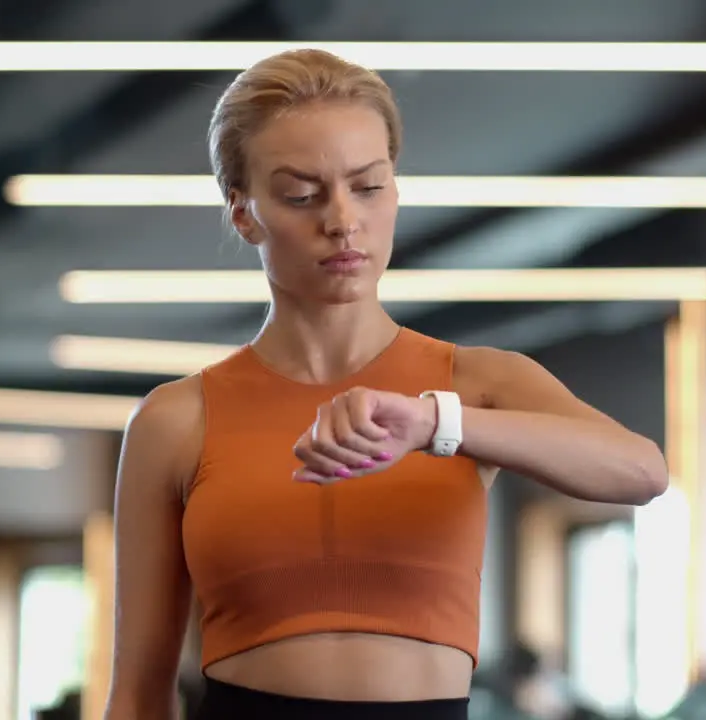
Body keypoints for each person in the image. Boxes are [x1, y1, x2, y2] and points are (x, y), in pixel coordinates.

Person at [106, 48, 668, 720]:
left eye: (368, 186)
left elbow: (643, 471)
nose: (343, 219)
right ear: (244, 213)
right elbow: (139, 690)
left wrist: (437, 425)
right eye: (302, 194)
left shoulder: (477, 384)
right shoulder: (176, 420)